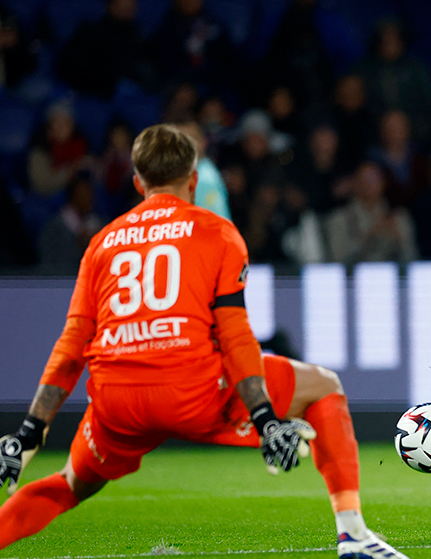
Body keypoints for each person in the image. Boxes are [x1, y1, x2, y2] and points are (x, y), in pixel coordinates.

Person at [0, 125, 407, 559]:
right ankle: (353, 534)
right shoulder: (217, 232)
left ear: (138, 183)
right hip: (191, 392)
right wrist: (266, 418)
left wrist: (30, 431)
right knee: (324, 385)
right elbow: (235, 336)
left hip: (116, 402)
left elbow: (72, 343)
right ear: (193, 179)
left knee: (67, 483)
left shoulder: (101, 243)